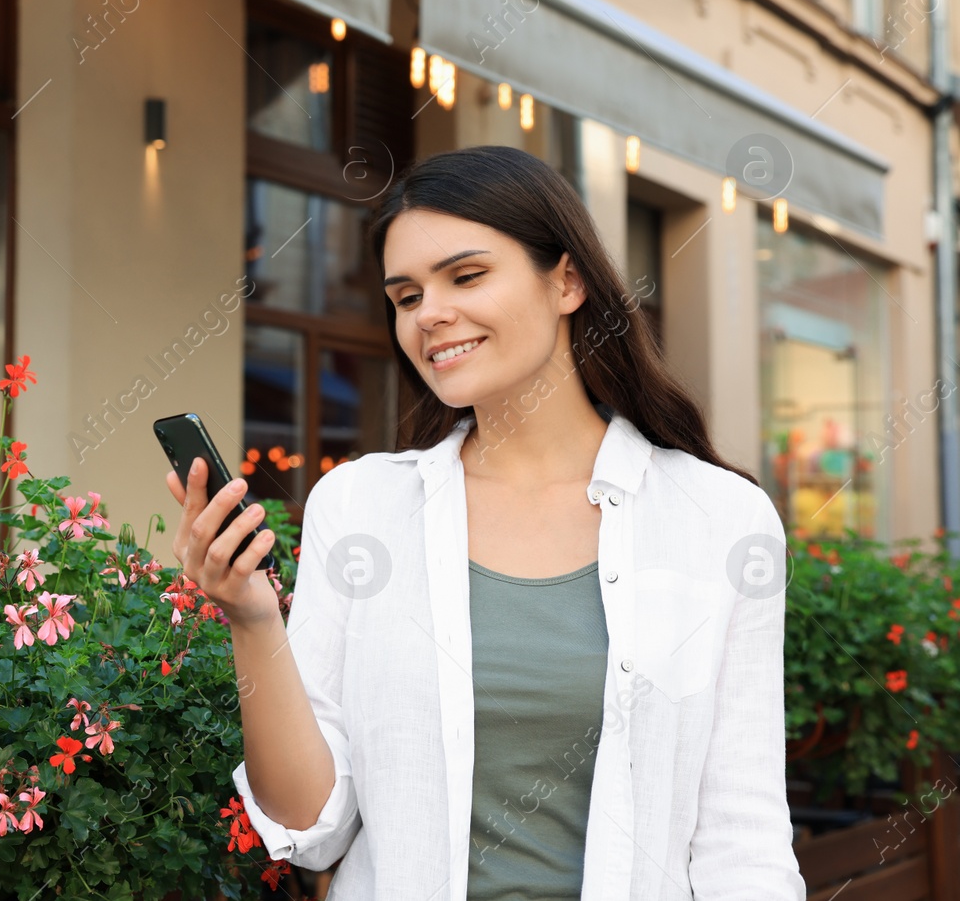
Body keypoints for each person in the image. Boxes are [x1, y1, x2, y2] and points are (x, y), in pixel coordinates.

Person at [165, 146, 806, 900]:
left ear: (567, 280)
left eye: (466, 277)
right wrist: (252, 620)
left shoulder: (718, 519)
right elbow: (310, 826)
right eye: (405, 296)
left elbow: (744, 837)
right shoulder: (362, 507)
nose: (430, 314)